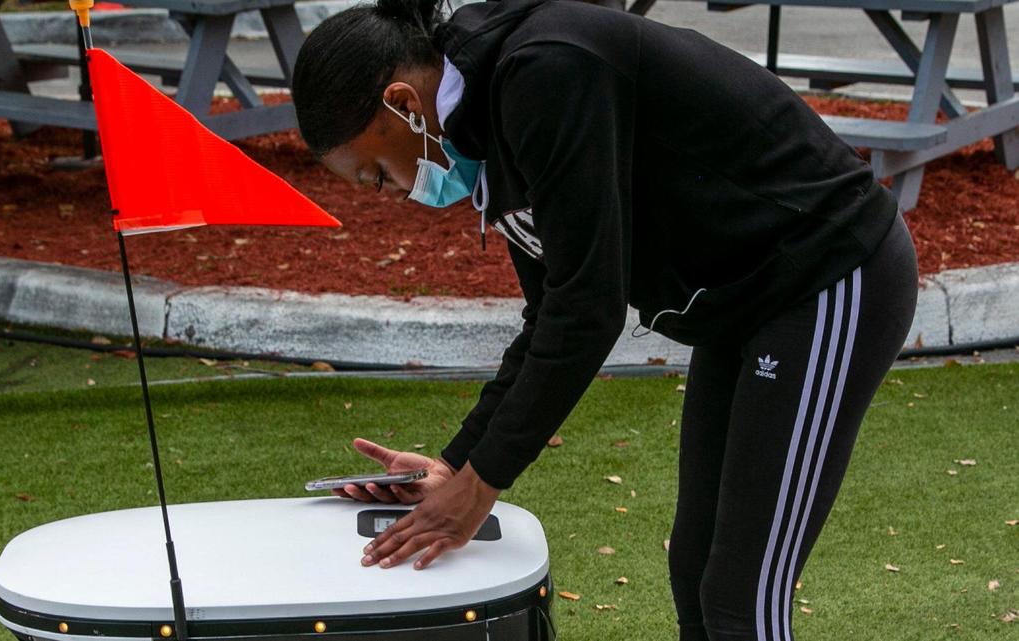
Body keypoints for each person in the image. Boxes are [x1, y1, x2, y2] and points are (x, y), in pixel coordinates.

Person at [291, 1, 919, 639]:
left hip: (829, 273)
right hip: (743, 302)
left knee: (741, 591)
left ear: (402, 103)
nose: (392, 192)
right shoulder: (486, 125)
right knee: (697, 567)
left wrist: (481, 485)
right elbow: (550, 314)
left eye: (374, 174)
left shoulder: (544, 73)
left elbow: (589, 310)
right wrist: (457, 465)